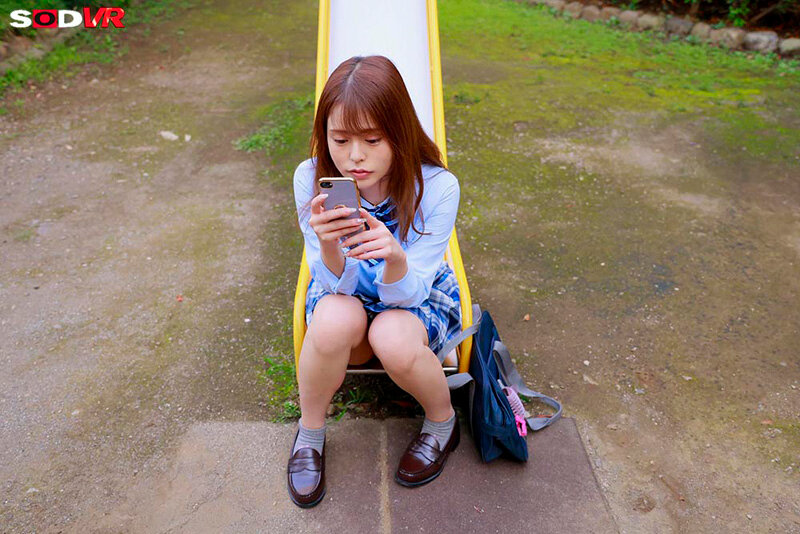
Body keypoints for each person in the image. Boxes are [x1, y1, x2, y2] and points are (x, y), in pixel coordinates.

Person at [288, 55, 462, 508]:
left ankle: (443, 422)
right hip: (343, 293)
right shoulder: (312, 177)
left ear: (399, 132)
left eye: (371, 139)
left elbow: (414, 290)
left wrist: (395, 259)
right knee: (333, 320)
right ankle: (310, 433)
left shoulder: (436, 187)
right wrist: (329, 246)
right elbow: (331, 284)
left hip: (415, 297)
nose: (354, 156)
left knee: (392, 335)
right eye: (340, 139)